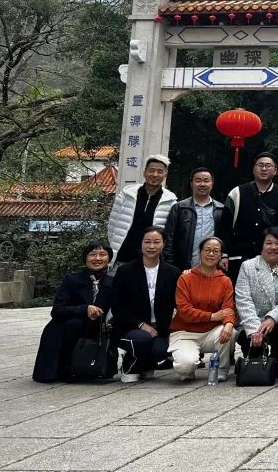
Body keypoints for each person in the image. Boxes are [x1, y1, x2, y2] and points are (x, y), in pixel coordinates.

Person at [32, 241, 114, 382]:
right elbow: (57, 310)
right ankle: (62, 368)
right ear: (85, 258)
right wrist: (84, 309)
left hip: (100, 328)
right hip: (70, 325)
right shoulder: (72, 279)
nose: (97, 258)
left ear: (109, 258)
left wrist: (111, 321)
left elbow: (121, 308)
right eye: (92, 254)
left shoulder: (115, 281)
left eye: (102, 254)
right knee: (73, 324)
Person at [113, 227, 181, 383]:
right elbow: (117, 305)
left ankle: (146, 365)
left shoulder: (172, 272)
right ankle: (130, 366)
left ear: (164, 244)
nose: (151, 246)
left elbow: (178, 304)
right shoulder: (125, 271)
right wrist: (141, 324)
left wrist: (174, 330)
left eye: (156, 242)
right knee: (142, 339)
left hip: (160, 329)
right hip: (130, 326)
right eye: (147, 242)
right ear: (141, 243)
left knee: (161, 350)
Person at [167, 236, 236, 382]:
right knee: (185, 369)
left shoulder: (225, 281)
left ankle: (221, 370)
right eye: (207, 250)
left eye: (215, 251)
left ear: (220, 255)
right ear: (199, 252)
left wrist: (229, 324)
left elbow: (228, 308)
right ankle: (189, 366)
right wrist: (212, 316)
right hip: (185, 332)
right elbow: (184, 310)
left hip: (211, 332)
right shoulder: (185, 278)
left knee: (230, 332)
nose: (211, 254)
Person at [235, 226, 278, 378]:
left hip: (277, 321)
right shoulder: (248, 266)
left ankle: (276, 359)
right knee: (249, 341)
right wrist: (255, 330)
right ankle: (253, 355)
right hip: (253, 320)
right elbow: (243, 299)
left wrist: (272, 318)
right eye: (268, 243)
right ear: (261, 245)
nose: (273, 247)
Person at [225, 152, 278, 281]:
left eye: (268, 166)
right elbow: (224, 226)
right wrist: (223, 254)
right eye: (260, 165)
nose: (264, 169)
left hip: (272, 259)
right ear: (253, 169)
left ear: (276, 171)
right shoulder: (237, 193)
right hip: (239, 258)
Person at [107, 154, 175, 267]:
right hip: (122, 257)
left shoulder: (170, 201)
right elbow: (112, 225)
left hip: (151, 260)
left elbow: (169, 234)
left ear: (165, 175)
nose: (155, 174)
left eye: (159, 171)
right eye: (151, 170)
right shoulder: (126, 194)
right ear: (144, 173)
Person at [163, 167, 232, 272]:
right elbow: (169, 239)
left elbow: (225, 240)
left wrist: (224, 256)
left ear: (212, 184)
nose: (202, 184)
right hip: (182, 268)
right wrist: (170, 266)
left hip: (212, 269)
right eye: (198, 180)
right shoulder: (180, 208)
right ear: (191, 184)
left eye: (206, 181)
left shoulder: (221, 210)